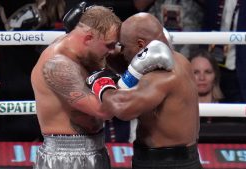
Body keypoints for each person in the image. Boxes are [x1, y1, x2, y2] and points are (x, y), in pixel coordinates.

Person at [87, 12, 202, 169]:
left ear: (141, 45)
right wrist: (108, 55)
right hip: (168, 158)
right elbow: (132, 67)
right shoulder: (179, 59)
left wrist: (101, 82)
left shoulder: (162, 76)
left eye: (123, 46)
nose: (121, 51)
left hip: (167, 163)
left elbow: (123, 109)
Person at [31, 3, 122, 169]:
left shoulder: (88, 52)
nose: (112, 50)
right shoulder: (57, 65)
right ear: (88, 38)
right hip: (65, 158)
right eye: (109, 45)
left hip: (97, 148)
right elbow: (104, 111)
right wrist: (133, 76)